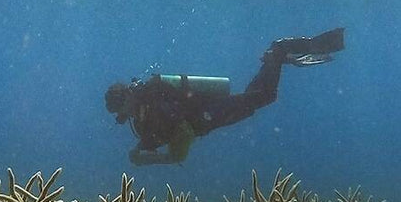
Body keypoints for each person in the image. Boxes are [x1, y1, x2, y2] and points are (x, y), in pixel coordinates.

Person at [104, 28, 345, 166]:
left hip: (210, 111)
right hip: (210, 117)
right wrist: (140, 150)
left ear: (127, 96)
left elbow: (183, 133)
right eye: (119, 112)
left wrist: (153, 160)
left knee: (262, 97)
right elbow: (158, 137)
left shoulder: (153, 104)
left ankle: (279, 51)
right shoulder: (143, 119)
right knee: (258, 97)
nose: (124, 114)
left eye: (122, 106)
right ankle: (276, 58)